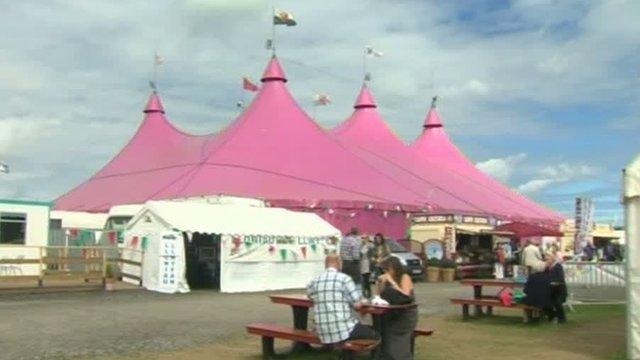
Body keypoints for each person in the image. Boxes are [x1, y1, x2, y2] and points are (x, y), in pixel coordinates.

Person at [307, 254, 378, 345]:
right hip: (343, 330)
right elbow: (357, 305)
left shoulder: (314, 281)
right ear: (339, 263)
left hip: (322, 331)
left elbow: (310, 295)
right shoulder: (344, 279)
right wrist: (365, 301)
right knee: (375, 335)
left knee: (356, 328)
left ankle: (345, 354)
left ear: (325, 264)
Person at [376, 256, 417, 360]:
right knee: (381, 327)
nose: (386, 272)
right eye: (384, 270)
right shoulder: (386, 279)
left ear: (394, 268)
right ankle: (384, 355)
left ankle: (402, 356)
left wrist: (392, 282)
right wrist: (380, 284)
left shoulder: (404, 277)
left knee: (395, 335)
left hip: (406, 314)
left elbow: (406, 295)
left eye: (387, 270)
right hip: (392, 313)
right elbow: (379, 297)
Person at [545, 252, 567, 323]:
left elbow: (560, 278)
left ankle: (562, 318)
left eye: (548, 259)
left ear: (552, 259)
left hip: (560, 291)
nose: (546, 261)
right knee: (543, 301)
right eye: (546, 260)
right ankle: (552, 317)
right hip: (551, 290)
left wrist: (554, 282)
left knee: (557, 303)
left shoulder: (558, 267)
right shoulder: (547, 268)